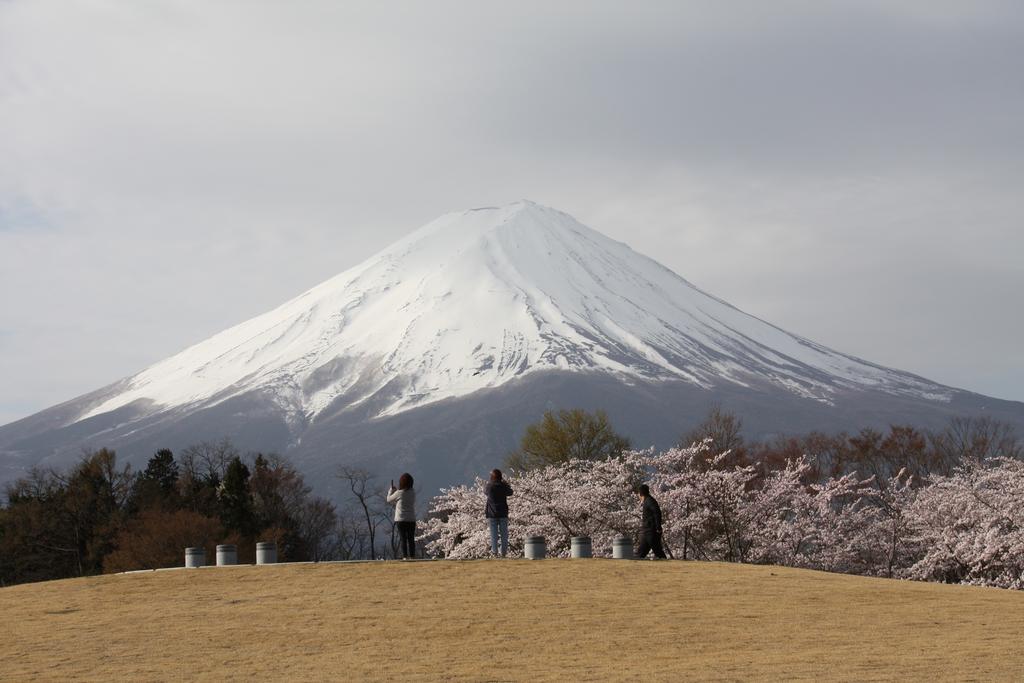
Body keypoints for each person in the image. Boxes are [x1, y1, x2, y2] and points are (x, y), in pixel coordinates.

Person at [484, 469, 514, 557]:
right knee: (504, 534)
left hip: (492, 513)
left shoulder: (489, 486)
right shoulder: (503, 486)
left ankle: (495, 552)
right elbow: (510, 492)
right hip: (503, 513)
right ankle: (503, 553)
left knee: (494, 535)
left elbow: (485, 492)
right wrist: (506, 484)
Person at [387, 473, 416, 559]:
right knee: (411, 539)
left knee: (403, 538)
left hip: (401, 519)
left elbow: (389, 499)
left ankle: (405, 556)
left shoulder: (399, 493)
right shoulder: (413, 492)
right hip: (411, 519)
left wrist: (390, 491)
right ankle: (412, 556)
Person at [635, 483, 667, 559]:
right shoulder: (648, 501)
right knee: (640, 553)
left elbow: (657, 512)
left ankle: (668, 566)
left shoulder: (649, 501)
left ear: (640, 494)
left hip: (651, 531)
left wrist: (658, 527)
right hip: (647, 531)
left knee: (658, 551)